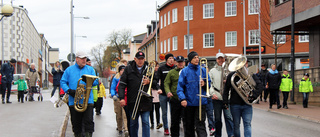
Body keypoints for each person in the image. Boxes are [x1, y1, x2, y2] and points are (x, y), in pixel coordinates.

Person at [118, 51, 157, 137]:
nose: (140, 61)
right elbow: (122, 84)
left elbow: (156, 83)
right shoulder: (128, 69)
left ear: (144, 59)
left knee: (146, 122)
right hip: (133, 101)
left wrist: (149, 81)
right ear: (135, 59)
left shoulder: (149, 68)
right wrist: (121, 98)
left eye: (142, 59)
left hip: (146, 101)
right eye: (139, 59)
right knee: (133, 123)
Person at [60, 51, 98, 137]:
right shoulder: (69, 70)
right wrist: (69, 90)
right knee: (76, 123)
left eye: (85, 58)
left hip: (88, 100)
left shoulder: (90, 69)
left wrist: (88, 80)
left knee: (89, 122)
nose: (84, 60)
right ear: (77, 59)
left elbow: (96, 81)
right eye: (82, 58)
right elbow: (63, 82)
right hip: (74, 101)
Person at [223, 58, 263, 137]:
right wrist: (225, 102)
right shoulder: (231, 76)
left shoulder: (250, 75)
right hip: (234, 104)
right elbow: (226, 89)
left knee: (247, 124)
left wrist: (253, 96)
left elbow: (260, 86)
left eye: (245, 64)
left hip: (247, 104)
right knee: (236, 125)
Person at [177, 51, 211, 137]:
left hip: (201, 102)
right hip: (188, 103)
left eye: (197, 57)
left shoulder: (203, 70)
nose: (197, 59)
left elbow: (209, 84)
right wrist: (183, 99)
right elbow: (180, 87)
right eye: (194, 58)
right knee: (189, 126)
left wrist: (205, 84)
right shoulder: (184, 71)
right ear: (190, 60)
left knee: (201, 126)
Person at [209, 53, 234, 137]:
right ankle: (218, 135)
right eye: (219, 59)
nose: (220, 60)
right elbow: (210, 85)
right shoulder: (212, 71)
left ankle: (231, 134)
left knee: (229, 118)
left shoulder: (229, 70)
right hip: (217, 97)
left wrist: (228, 82)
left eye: (222, 59)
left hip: (227, 97)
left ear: (224, 59)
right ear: (216, 60)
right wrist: (212, 93)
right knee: (217, 119)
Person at [164, 55, 186, 137]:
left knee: (187, 121)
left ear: (184, 62)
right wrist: (168, 92)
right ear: (176, 62)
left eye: (182, 62)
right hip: (175, 99)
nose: (180, 64)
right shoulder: (171, 72)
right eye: (179, 62)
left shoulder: (187, 71)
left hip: (186, 100)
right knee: (175, 121)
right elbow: (166, 83)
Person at [158, 53, 175, 135]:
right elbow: (156, 80)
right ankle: (166, 128)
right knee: (164, 112)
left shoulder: (175, 68)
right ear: (167, 59)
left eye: (172, 58)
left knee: (173, 112)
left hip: (173, 94)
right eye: (170, 58)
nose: (171, 60)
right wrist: (158, 88)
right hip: (163, 94)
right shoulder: (161, 68)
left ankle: (173, 128)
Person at [110, 64, 128, 136]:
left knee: (125, 114)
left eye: (124, 70)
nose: (123, 72)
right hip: (117, 98)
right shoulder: (116, 78)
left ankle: (126, 129)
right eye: (121, 70)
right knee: (119, 115)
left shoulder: (127, 77)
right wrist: (113, 95)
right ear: (119, 71)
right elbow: (112, 88)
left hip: (125, 98)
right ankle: (120, 128)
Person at [150, 61, 162, 130]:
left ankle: (158, 122)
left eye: (157, 66)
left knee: (157, 109)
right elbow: (153, 82)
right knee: (151, 109)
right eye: (154, 66)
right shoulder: (149, 74)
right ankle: (152, 123)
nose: (156, 67)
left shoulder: (159, 73)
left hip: (157, 92)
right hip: (151, 91)